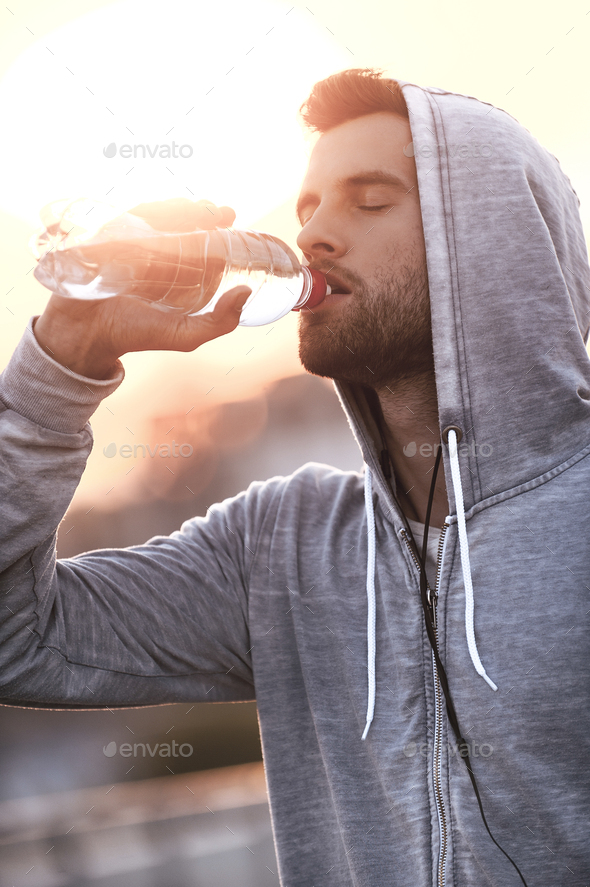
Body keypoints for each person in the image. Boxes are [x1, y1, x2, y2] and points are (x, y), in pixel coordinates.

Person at [1, 67, 589, 886]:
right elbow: (15, 638)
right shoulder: (281, 547)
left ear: (488, 240)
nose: (312, 235)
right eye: (307, 207)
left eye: (369, 200)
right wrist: (60, 366)